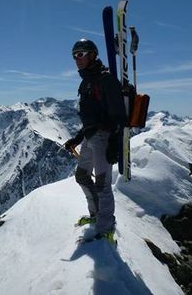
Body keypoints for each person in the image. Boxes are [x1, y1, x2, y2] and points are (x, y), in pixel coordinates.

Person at [64, 38, 126, 241]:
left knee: (102, 184)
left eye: (80, 54)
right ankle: (96, 215)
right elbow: (91, 118)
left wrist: (115, 143)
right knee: (82, 176)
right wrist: (77, 138)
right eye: (74, 55)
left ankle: (106, 228)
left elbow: (119, 116)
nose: (77, 59)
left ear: (92, 55)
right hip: (90, 138)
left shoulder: (106, 80)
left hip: (103, 139)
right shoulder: (86, 82)